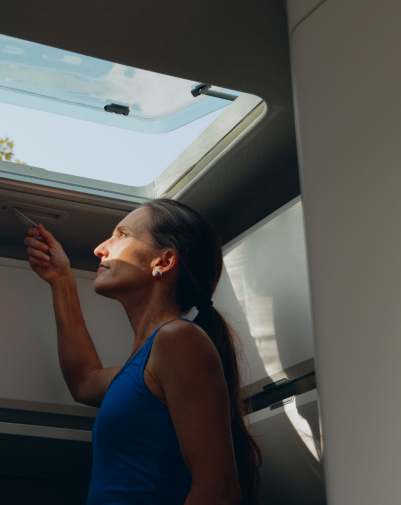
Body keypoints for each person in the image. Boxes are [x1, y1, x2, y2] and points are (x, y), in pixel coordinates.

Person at [23, 199, 261, 505]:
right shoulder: (145, 361)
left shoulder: (179, 339)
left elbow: (219, 489)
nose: (100, 248)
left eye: (122, 235)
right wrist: (61, 280)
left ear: (163, 262)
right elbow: (84, 380)